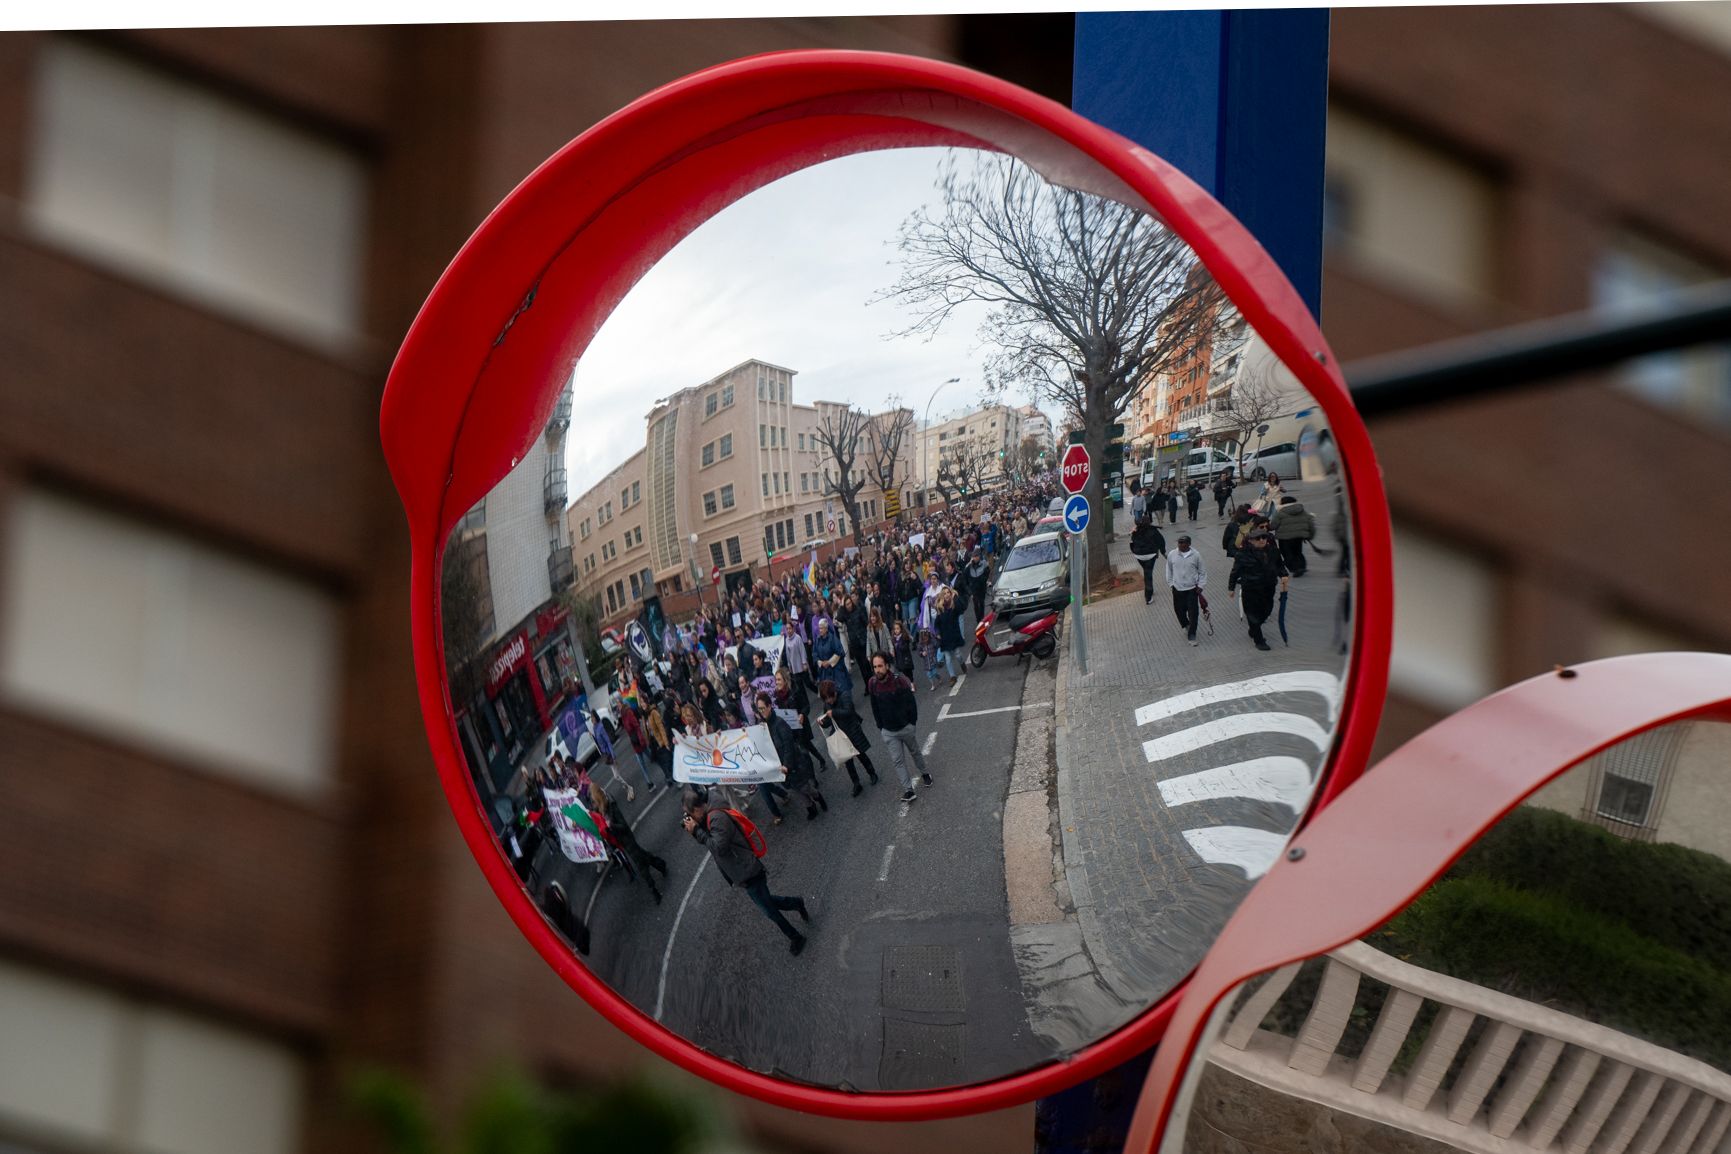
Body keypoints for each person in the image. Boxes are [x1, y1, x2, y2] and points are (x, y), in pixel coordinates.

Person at [682, 785, 812, 955]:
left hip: (748, 869)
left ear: (698, 808)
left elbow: (719, 848)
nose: (690, 817)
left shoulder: (717, 818)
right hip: (742, 869)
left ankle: (796, 937)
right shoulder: (709, 815)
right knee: (767, 903)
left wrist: (697, 831)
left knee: (769, 910)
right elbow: (711, 841)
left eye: (690, 814)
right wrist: (696, 831)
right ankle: (796, 903)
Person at [867, 652, 932, 803]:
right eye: (875, 667)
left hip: (905, 728)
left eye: (880, 666)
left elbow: (911, 703)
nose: (877, 670)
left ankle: (925, 773)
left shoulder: (899, 681)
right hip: (889, 732)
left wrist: (912, 723)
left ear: (887, 666)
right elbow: (874, 706)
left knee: (915, 752)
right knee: (898, 761)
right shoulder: (872, 683)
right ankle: (909, 790)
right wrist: (881, 727)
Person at [757, 691, 826, 820]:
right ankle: (811, 807)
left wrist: (787, 765)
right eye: (759, 709)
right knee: (795, 790)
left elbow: (788, 746)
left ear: (769, 706)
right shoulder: (763, 727)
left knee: (804, 788)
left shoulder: (779, 723)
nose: (761, 712)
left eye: (763, 708)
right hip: (782, 767)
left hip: (793, 764)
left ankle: (818, 797)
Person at [1228, 528, 1291, 651]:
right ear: (1251, 540)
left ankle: (1254, 628)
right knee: (1252, 614)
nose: (1262, 540)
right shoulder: (1242, 554)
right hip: (1251, 589)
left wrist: (1284, 574)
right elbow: (1235, 572)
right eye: (1258, 538)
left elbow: (1279, 565)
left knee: (1267, 610)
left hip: (1268, 587)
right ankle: (1259, 640)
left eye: (1264, 537)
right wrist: (1231, 588)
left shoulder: (1273, 551)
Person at [817, 678, 878, 796]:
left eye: (829, 697)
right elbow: (829, 722)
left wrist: (834, 712)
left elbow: (849, 711)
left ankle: (872, 773)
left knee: (861, 755)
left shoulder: (844, 695)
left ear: (834, 693)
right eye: (826, 699)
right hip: (840, 735)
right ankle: (856, 784)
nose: (828, 701)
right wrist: (822, 723)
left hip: (852, 730)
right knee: (848, 761)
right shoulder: (827, 704)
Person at [1166, 533, 1207, 646]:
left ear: (1189, 544)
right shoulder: (1172, 554)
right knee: (1179, 611)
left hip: (1192, 589)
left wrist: (1201, 586)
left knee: (1193, 613)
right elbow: (1169, 570)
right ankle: (1185, 624)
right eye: (1179, 542)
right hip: (1177, 589)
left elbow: (1202, 572)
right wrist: (1171, 584)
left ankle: (1192, 634)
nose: (1180, 545)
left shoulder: (1196, 555)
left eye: (1183, 543)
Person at [1270, 494, 1315, 577]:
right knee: (1297, 552)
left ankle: (1295, 569)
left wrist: (1268, 527)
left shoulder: (1280, 513)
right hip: (1299, 537)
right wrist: (1310, 536)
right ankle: (1301, 566)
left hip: (1284, 538)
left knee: (1286, 553)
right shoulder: (1302, 511)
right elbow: (1311, 524)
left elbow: (1273, 525)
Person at [1129, 512, 1167, 605]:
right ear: (1149, 522)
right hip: (1150, 555)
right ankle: (1148, 597)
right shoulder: (1153, 531)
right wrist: (1163, 552)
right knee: (1148, 574)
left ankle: (1150, 590)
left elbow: (1132, 541)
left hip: (1139, 555)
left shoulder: (1136, 530)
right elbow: (1161, 541)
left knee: (1146, 571)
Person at [811, 616, 851, 699]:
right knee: (828, 692)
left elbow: (839, 652)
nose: (820, 630)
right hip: (824, 672)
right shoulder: (817, 640)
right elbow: (814, 654)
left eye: (822, 628)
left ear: (826, 629)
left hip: (835, 670)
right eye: (819, 628)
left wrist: (829, 662)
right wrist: (820, 662)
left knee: (840, 690)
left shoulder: (833, 639)